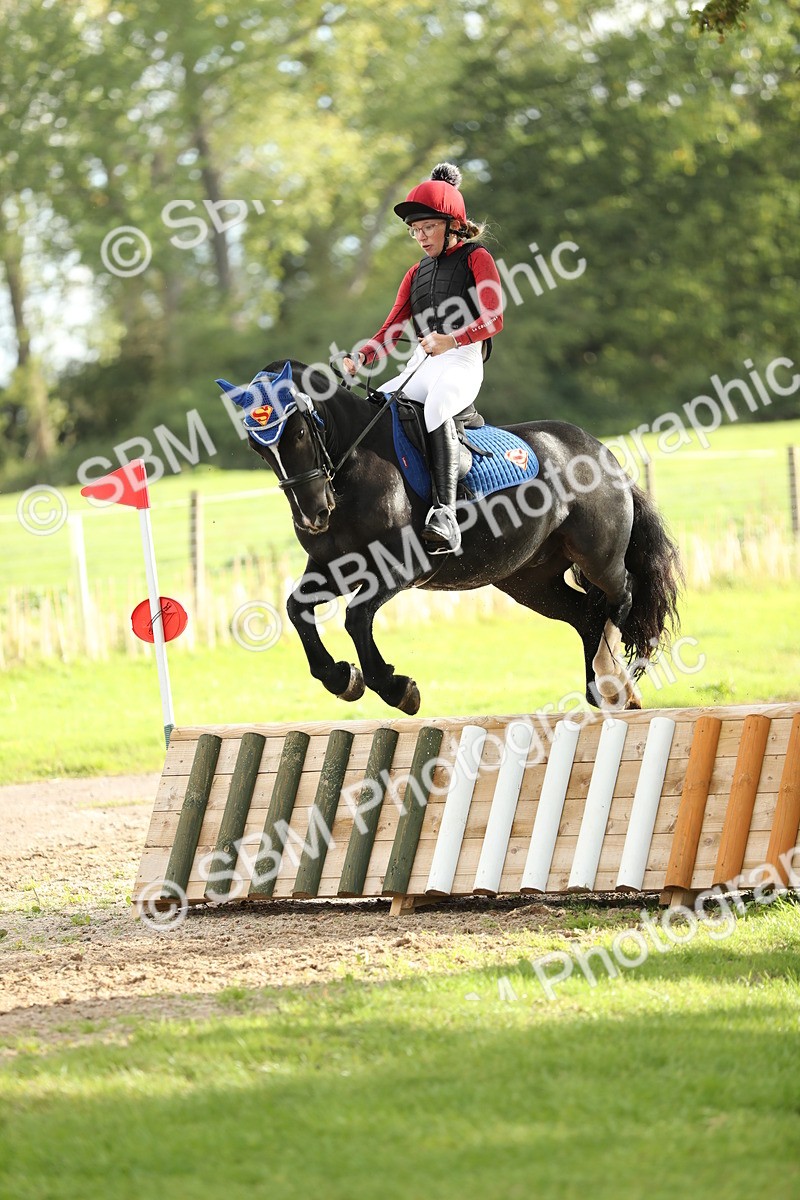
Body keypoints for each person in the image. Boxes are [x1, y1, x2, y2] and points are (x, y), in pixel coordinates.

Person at [343, 163, 504, 554]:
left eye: (427, 227)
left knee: (436, 407)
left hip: (463, 358)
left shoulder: (475, 258)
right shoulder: (415, 273)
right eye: (414, 230)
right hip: (425, 360)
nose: (419, 237)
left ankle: (446, 515)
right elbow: (392, 329)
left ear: (452, 224)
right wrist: (359, 359)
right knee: (377, 404)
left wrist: (453, 339)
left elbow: (494, 316)